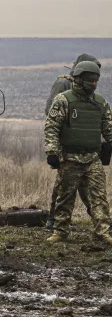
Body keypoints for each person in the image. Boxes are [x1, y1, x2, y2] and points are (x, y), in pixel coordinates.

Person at [43, 60, 112, 245]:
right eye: (90, 79)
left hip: (92, 158)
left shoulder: (100, 102)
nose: (93, 83)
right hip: (70, 158)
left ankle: (102, 232)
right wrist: (52, 152)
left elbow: (109, 129)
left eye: (96, 80)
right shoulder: (64, 100)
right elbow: (52, 127)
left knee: (99, 197)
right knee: (65, 196)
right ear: (79, 79)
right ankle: (60, 231)